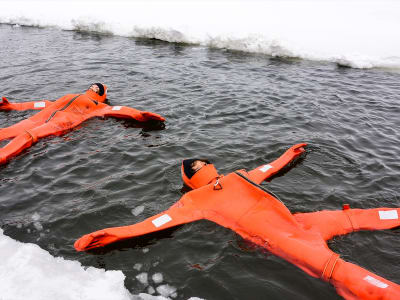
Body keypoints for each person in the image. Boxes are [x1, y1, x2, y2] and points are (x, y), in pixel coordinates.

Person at [74, 143, 400, 300]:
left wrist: (290, 154)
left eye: (202, 162)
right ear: (196, 175)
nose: (203, 166)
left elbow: (269, 168)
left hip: (296, 228)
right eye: (198, 165)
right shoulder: (206, 194)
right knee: (340, 263)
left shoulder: (229, 180)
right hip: (289, 237)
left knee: (350, 224)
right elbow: (155, 224)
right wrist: (111, 234)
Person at [0, 83, 165, 165]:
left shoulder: (99, 106)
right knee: (7, 131)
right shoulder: (74, 96)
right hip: (42, 116)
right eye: (92, 86)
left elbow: (119, 109)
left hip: (62, 122)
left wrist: (140, 115)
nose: (94, 88)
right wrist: (13, 106)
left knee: (29, 135)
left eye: (97, 88)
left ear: (101, 94)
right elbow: (43, 104)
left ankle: (3, 155)